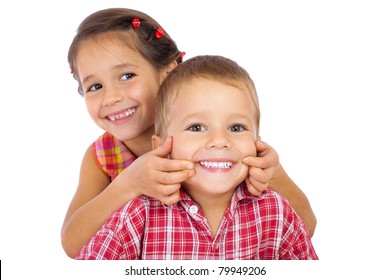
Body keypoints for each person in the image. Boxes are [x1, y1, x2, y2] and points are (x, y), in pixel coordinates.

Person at [62, 8, 316, 258]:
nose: (111, 98)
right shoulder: (104, 156)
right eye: (95, 86)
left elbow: (305, 228)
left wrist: (270, 175)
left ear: (168, 71)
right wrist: (128, 184)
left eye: (127, 75)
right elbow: (73, 246)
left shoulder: (226, 142)